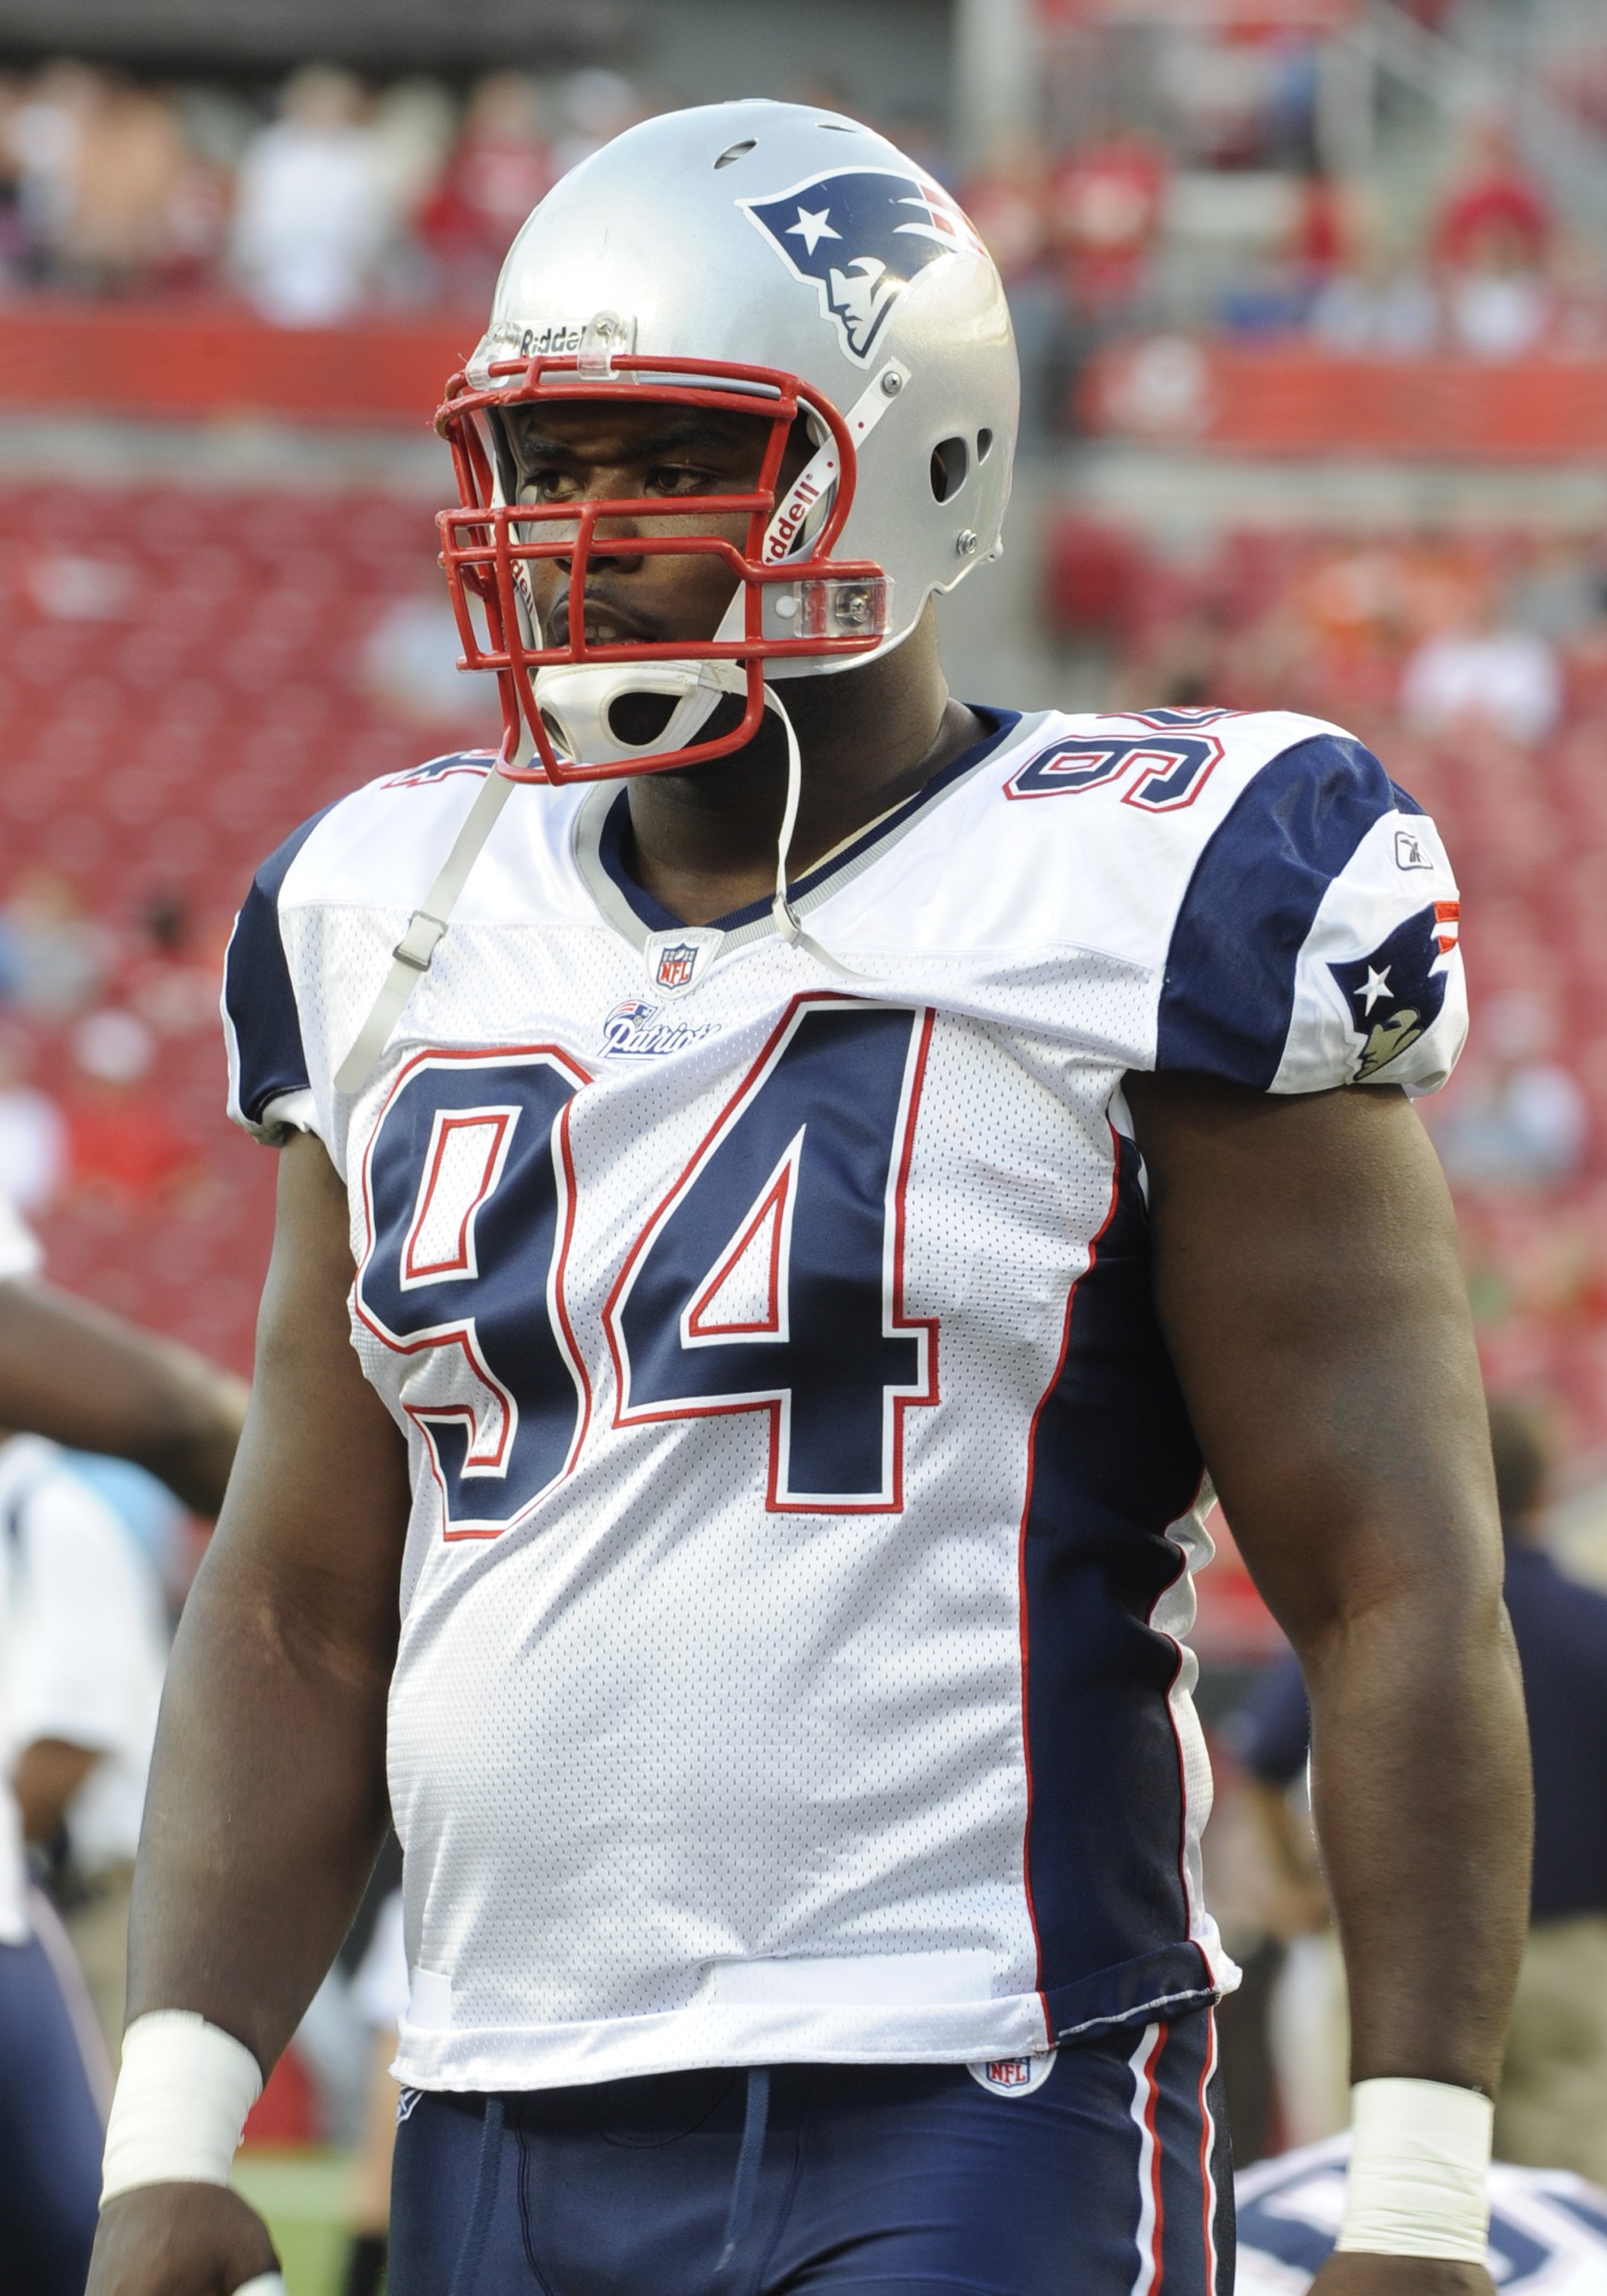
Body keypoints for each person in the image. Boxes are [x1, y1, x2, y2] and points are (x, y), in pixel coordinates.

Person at [91, 101, 1527, 2296]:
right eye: (539, 466)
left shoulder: (1152, 881)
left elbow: (1387, 1578)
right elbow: (298, 1595)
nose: (573, 533)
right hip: (497, 2095)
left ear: (903, 457)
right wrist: (177, 2125)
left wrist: (1418, 2190)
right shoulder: (395, 908)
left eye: (654, 456)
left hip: (973, 2091)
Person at [1235, 1395, 1607, 2186]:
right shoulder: (1593, 1625)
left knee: (1382, 2202)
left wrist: (1299, 1891)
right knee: (1574, 2209)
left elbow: (1262, 1761)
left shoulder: (1385, 1615)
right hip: (1565, 1958)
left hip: (1390, 1961)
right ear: (1543, 1494)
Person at [0, 1188, 243, 2293]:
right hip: (43, 1890)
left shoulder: (49, 1512)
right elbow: (179, 1418)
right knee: (75, 2225)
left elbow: (77, 1731)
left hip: (88, 1882)